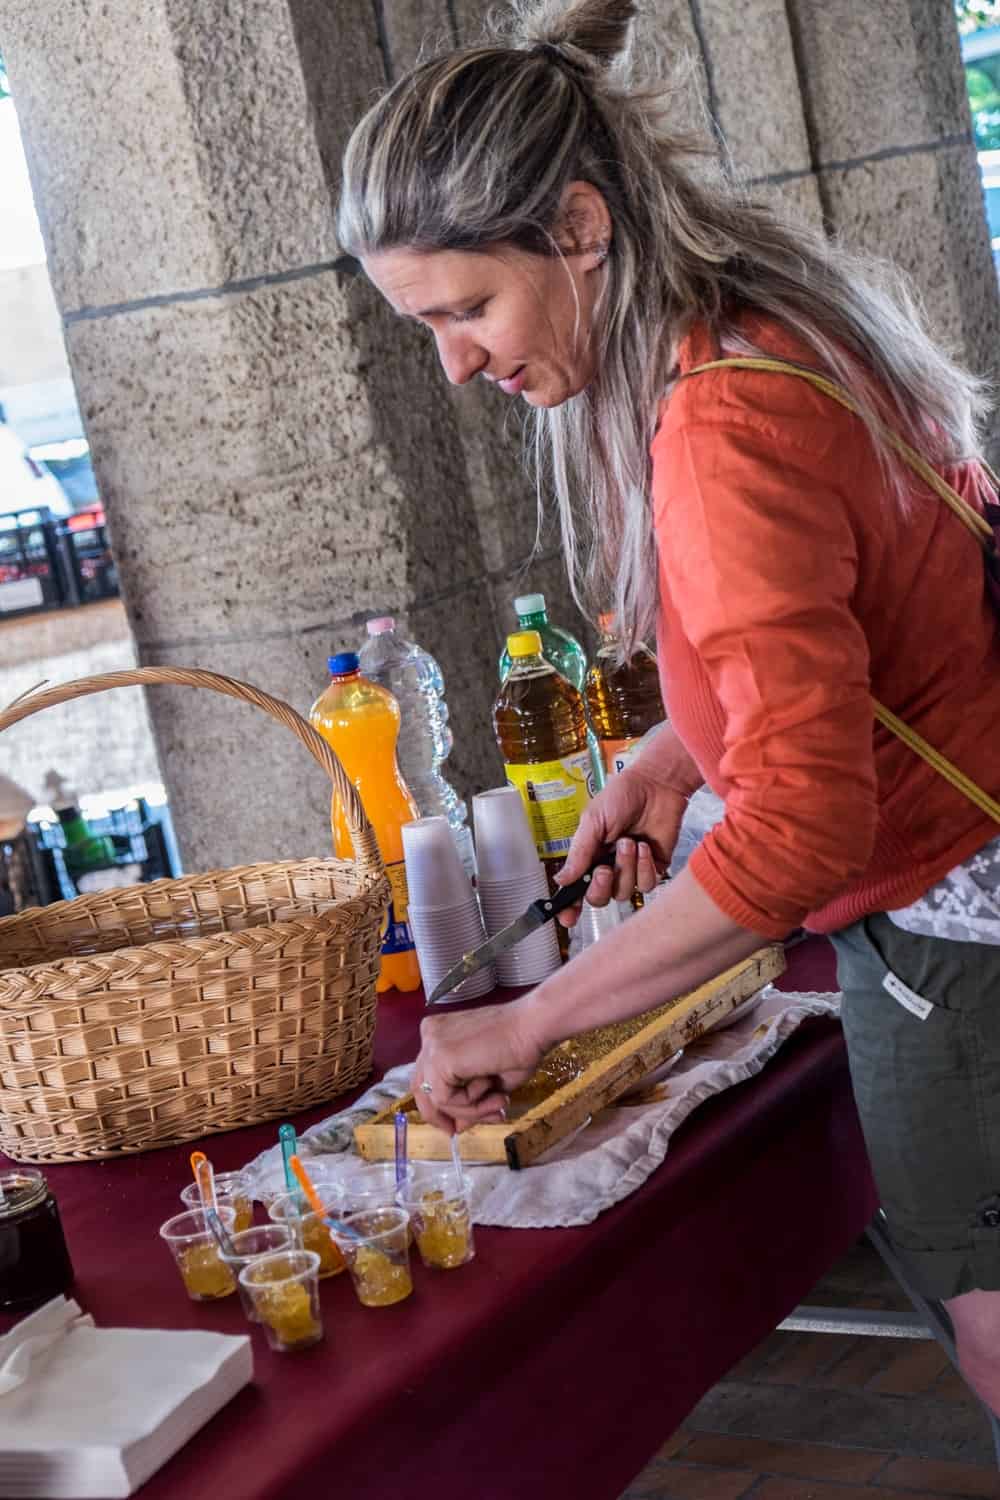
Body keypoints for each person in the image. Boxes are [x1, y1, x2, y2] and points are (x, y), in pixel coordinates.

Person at [338, 0, 1000, 1411]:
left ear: (580, 228)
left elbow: (804, 835)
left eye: (467, 310)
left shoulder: (720, 424)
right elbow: (873, 619)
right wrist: (674, 751)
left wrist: (529, 1030)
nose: (457, 364)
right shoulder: (766, 324)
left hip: (956, 934)